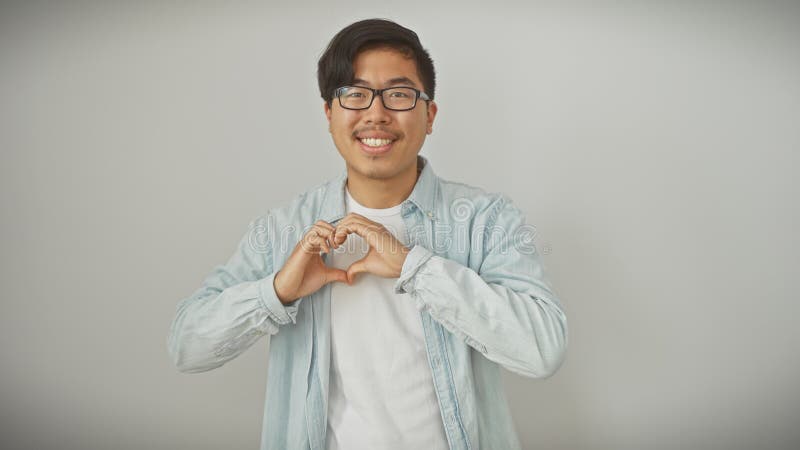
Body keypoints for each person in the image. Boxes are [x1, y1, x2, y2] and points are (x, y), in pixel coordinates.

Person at [167, 18, 568, 450]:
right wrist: (277, 292)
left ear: (429, 115)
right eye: (354, 95)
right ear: (328, 113)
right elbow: (187, 346)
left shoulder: (486, 220)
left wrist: (415, 266)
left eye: (398, 95)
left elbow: (541, 350)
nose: (376, 114)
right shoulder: (283, 228)